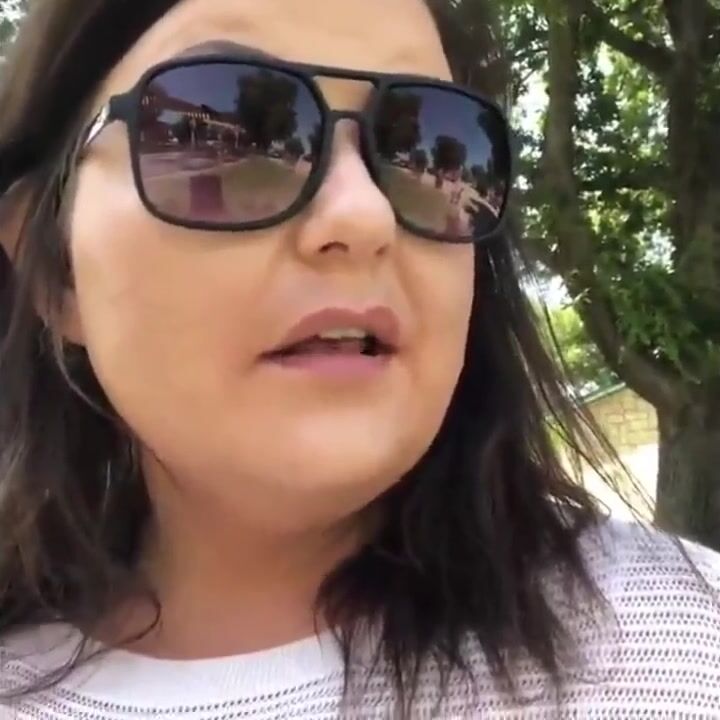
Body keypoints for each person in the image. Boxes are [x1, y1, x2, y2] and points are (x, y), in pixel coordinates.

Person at [0, 1, 718, 718]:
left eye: (425, 145)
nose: (365, 214)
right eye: (234, 136)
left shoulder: (686, 649)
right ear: (55, 270)